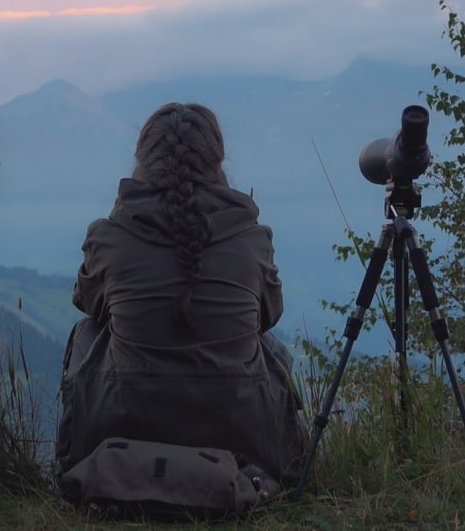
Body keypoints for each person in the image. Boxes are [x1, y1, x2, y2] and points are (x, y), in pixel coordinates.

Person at [56, 102, 307, 492]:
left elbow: (89, 304)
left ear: (142, 160)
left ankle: (82, 453)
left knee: (86, 332)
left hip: (122, 419)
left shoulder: (110, 236)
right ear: (218, 162)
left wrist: (123, 214)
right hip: (241, 432)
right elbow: (268, 316)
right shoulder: (252, 238)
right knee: (268, 346)